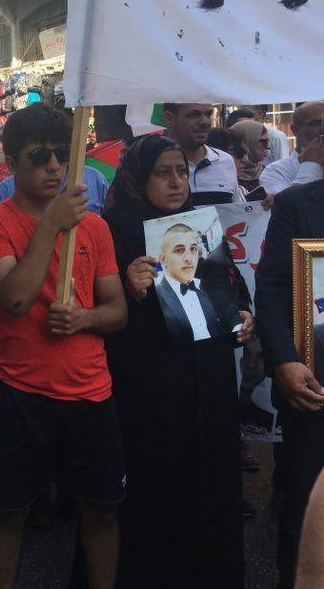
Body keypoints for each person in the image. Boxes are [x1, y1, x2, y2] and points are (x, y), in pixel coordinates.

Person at [0, 103, 127, 589]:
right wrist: (51, 226)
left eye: (62, 154)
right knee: (9, 513)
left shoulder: (96, 227)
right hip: (22, 394)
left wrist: (84, 318)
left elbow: (117, 311)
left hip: (90, 394)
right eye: (39, 156)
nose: (54, 167)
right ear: (11, 162)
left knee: (100, 512)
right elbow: (15, 298)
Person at [101, 134, 254, 588]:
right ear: (137, 178)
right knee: (157, 478)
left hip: (209, 380)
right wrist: (127, 286)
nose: (175, 182)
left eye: (180, 172)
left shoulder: (202, 226)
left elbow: (229, 288)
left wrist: (244, 317)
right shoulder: (113, 231)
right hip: (151, 385)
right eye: (162, 173)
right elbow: (95, 309)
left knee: (210, 474)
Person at [255, 176, 324, 589]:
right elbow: (272, 289)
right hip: (313, 384)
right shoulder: (295, 204)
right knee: (305, 498)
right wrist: (284, 359)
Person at [153, 222, 230, 344]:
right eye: (179, 250)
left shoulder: (204, 289)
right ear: (163, 259)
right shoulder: (155, 296)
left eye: (193, 249)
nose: (189, 258)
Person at [162, 103, 241, 205]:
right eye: (194, 115)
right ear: (169, 119)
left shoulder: (225, 161)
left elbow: (235, 210)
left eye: (208, 114)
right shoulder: (152, 163)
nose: (205, 122)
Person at [261, 101, 324, 194]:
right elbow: (295, 202)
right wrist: (310, 165)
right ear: (295, 129)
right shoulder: (275, 172)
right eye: (316, 123)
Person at [228, 118, 269, 192]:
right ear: (248, 141)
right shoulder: (227, 177)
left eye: (267, 141)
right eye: (263, 141)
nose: (268, 146)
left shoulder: (267, 173)